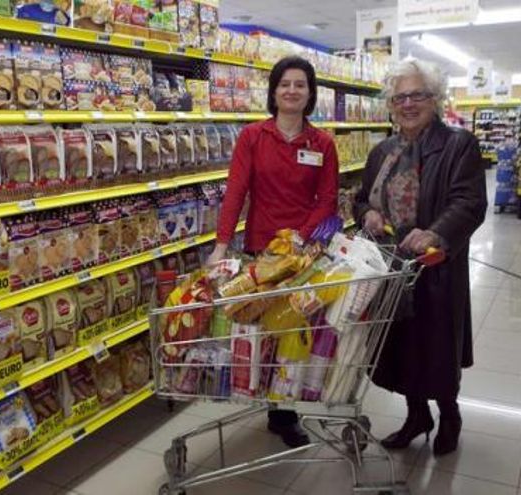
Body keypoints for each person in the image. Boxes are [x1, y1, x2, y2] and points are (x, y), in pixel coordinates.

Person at [353, 58, 487, 456]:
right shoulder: (383, 152)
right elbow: (361, 200)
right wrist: (367, 214)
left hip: (435, 267)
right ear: (390, 104)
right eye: (400, 97)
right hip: (391, 269)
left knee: (438, 346)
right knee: (403, 347)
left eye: (417, 95)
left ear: (436, 99)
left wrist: (436, 233)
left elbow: (469, 201)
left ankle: (449, 414)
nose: (408, 103)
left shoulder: (458, 144)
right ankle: (416, 415)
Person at [208, 55, 339, 448]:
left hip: (302, 253)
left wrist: (299, 238)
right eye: (285, 84)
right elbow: (236, 192)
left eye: (300, 84)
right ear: (274, 91)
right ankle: (263, 395)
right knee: (262, 329)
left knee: (292, 330)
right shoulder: (253, 137)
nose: (292, 91)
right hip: (261, 250)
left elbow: (327, 198)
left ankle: (284, 414)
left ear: (310, 93)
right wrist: (220, 245)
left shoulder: (323, 143)